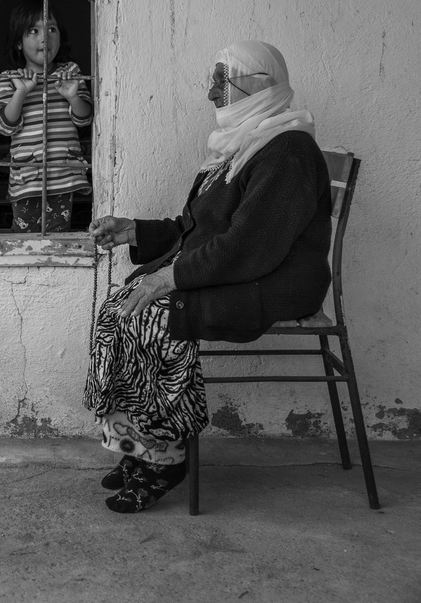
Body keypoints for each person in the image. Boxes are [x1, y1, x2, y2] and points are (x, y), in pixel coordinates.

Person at [84, 40, 332, 513]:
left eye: (222, 81)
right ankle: (135, 445)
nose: (212, 93)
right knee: (119, 308)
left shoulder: (287, 151)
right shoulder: (239, 147)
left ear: (256, 85)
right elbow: (192, 228)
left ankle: (166, 460)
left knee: (155, 317)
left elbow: (247, 249)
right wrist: (133, 230)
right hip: (236, 273)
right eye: (214, 81)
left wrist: (168, 280)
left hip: (270, 282)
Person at [0, 0, 92, 232]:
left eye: (51, 29)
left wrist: (72, 96)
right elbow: (5, 126)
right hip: (27, 178)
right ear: (18, 43)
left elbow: (85, 118)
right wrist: (21, 92)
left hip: (63, 174)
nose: (45, 37)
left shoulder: (70, 73)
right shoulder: (11, 78)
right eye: (34, 31)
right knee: (24, 238)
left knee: (59, 234)